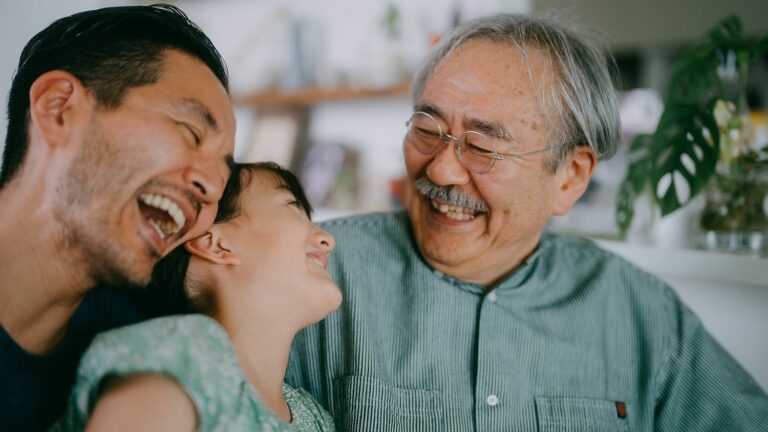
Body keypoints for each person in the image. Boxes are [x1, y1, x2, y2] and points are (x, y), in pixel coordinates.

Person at [285, 14, 768, 431]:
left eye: (481, 148)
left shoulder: (641, 313)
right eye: (428, 131)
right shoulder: (313, 271)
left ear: (570, 178)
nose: (441, 170)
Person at [0, 5, 235, 430]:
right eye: (190, 132)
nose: (213, 189)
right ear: (57, 109)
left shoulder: (146, 349)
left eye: (223, 172)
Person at [53, 162, 339, 431]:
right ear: (216, 244)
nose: (328, 239)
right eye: (293, 207)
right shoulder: (178, 356)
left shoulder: (315, 418)